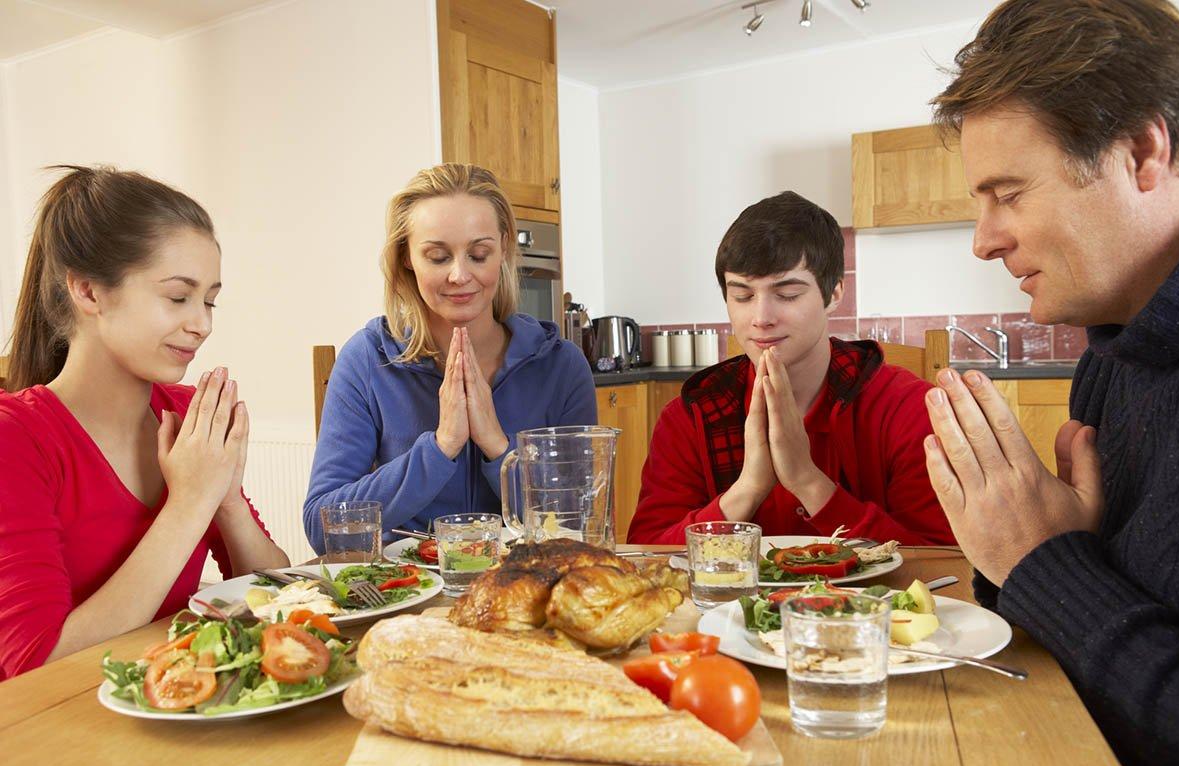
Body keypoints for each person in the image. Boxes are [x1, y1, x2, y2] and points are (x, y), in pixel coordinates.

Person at [925, 1, 1179, 766]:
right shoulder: (1115, 352)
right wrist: (1015, 550)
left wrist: (1042, 564)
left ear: (1143, 150)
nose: (983, 239)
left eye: (1007, 193)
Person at [0, 166, 288, 680]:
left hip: (181, 706)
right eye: (178, 297)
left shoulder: (184, 411)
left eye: (210, 300)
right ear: (88, 292)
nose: (202, 323)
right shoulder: (16, 437)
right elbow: (33, 665)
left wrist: (225, 499)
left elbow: (278, 598)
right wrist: (190, 501)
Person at [627, 191, 954, 546]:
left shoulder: (906, 408)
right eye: (742, 296)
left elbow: (941, 559)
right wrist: (747, 490)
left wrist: (808, 482)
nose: (761, 318)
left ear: (834, 294)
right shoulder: (689, 418)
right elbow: (648, 554)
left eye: (787, 295)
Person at [303, 164, 596, 549]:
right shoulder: (366, 359)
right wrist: (440, 448)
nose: (459, 275)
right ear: (407, 256)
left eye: (479, 254)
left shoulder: (562, 366)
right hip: (408, 594)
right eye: (438, 256)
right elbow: (322, 528)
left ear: (504, 248)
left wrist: (497, 445)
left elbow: (579, 524)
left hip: (524, 590)